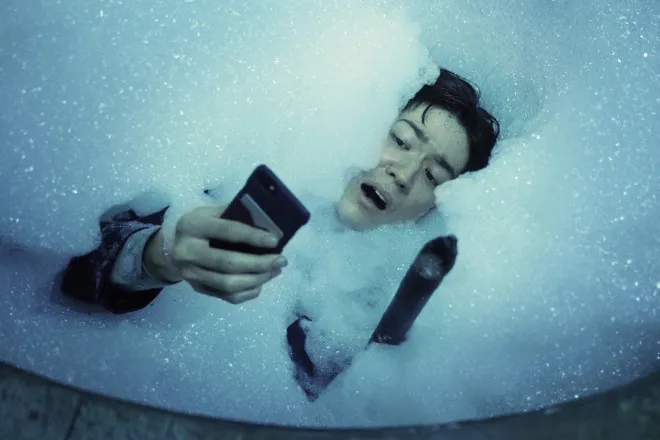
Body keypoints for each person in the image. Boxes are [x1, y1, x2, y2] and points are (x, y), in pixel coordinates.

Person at [60, 68, 499, 396]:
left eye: (433, 176)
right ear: (365, 119)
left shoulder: (386, 316)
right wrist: (160, 255)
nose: (403, 174)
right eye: (401, 140)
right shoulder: (239, 175)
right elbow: (72, 274)